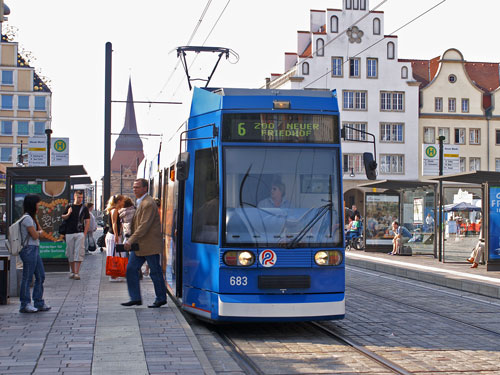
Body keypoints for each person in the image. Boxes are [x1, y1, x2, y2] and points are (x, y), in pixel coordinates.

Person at [121, 178, 167, 308]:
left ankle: (161, 298)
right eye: (134, 187)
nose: (134, 189)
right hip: (140, 246)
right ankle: (135, 298)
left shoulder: (148, 203)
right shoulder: (142, 202)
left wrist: (130, 240)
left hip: (149, 245)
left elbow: (144, 225)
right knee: (131, 269)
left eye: (137, 187)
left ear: (145, 188)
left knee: (155, 272)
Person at [18, 194, 51, 313]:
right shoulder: (27, 218)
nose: (39, 206)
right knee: (27, 277)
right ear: (32, 204)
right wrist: (39, 232)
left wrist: (39, 231)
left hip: (34, 249)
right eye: (38, 203)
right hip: (28, 249)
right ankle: (25, 304)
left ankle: (38, 302)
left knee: (40, 275)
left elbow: (40, 231)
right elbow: (36, 234)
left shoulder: (32, 218)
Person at [61, 190, 90, 280]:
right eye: (78, 197)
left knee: (79, 252)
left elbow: (87, 221)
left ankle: (76, 272)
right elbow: (63, 217)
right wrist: (69, 213)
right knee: (70, 253)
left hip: (79, 232)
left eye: (81, 198)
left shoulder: (84, 208)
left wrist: (84, 233)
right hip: (69, 232)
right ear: (74, 196)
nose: (80, 199)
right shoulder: (69, 206)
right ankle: (72, 271)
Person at [105, 194, 125, 280]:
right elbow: (114, 224)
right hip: (113, 235)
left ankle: (115, 274)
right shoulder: (114, 210)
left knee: (114, 254)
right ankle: (114, 275)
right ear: (119, 201)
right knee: (114, 254)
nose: (123, 202)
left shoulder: (114, 210)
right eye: (122, 200)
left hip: (113, 235)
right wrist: (116, 235)